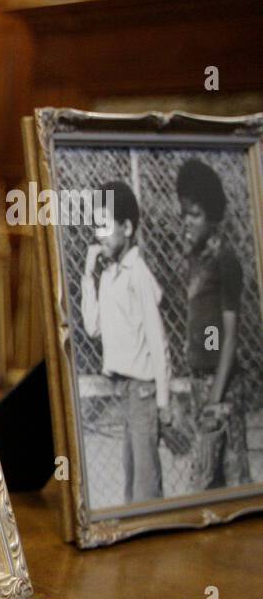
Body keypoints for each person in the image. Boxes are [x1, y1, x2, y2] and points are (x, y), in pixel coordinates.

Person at [80, 180, 170, 503]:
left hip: (144, 391)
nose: (98, 234)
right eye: (95, 227)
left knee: (146, 482)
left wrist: (163, 400)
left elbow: (158, 340)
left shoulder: (138, 273)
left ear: (127, 227)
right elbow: (92, 327)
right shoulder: (108, 276)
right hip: (125, 392)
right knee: (131, 474)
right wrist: (87, 278)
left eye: (104, 225)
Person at [178, 158, 250, 489]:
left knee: (231, 473)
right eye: (184, 214)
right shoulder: (194, 258)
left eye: (194, 215)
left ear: (212, 216)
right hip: (200, 383)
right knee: (208, 478)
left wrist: (215, 394)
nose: (186, 222)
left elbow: (228, 336)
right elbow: (209, 330)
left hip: (221, 388)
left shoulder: (226, 261)